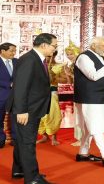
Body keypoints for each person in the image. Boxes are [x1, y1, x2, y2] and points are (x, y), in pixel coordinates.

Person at [7, 33, 57, 183]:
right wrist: (21, 110)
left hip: (31, 108)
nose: (55, 49)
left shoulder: (36, 59)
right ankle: (32, 178)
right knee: (28, 143)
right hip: (26, 110)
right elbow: (20, 87)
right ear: (44, 45)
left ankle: (19, 170)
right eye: (54, 46)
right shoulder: (30, 59)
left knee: (22, 141)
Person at [74, 37, 104, 166]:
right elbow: (94, 76)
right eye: (103, 45)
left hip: (101, 96)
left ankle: (83, 153)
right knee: (96, 126)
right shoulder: (84, 57)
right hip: (89, 97)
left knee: (88, 126)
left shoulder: (100, 57)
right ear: (93, 45)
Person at [37, 51, 62, 146]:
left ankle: (54, 137)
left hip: (51, 93)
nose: (48, 58)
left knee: (52, 114)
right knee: (40, 115)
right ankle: (44, 136)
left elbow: (65, 79)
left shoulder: (58, 66)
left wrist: (52, 74)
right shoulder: (37, 65)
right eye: (46, 56)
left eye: (50, 56)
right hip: (38, 94)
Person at [0, 42, 17, 148]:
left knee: (16, 118)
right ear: (3, 51)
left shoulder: (17, 61)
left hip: (16, 96)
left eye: (15, 51)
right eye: (11, 51)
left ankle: (16, 140)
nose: (14, 53)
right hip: (1, 95)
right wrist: (9, 84)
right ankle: (1, 140)